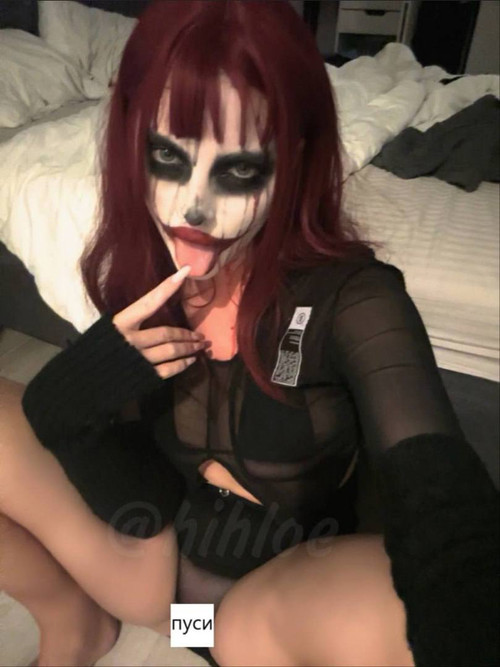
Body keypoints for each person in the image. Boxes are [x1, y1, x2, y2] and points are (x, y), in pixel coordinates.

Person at [0, 1, 498, 666]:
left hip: (260, 622)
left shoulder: (352, 298)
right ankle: (73, 622)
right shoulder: (144, 277)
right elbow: (136, 499)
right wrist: (69, 398)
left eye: (237, 168)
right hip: (163, 590)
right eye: (167, 155)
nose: (193, 207)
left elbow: (441, 501)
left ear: (295, 158)